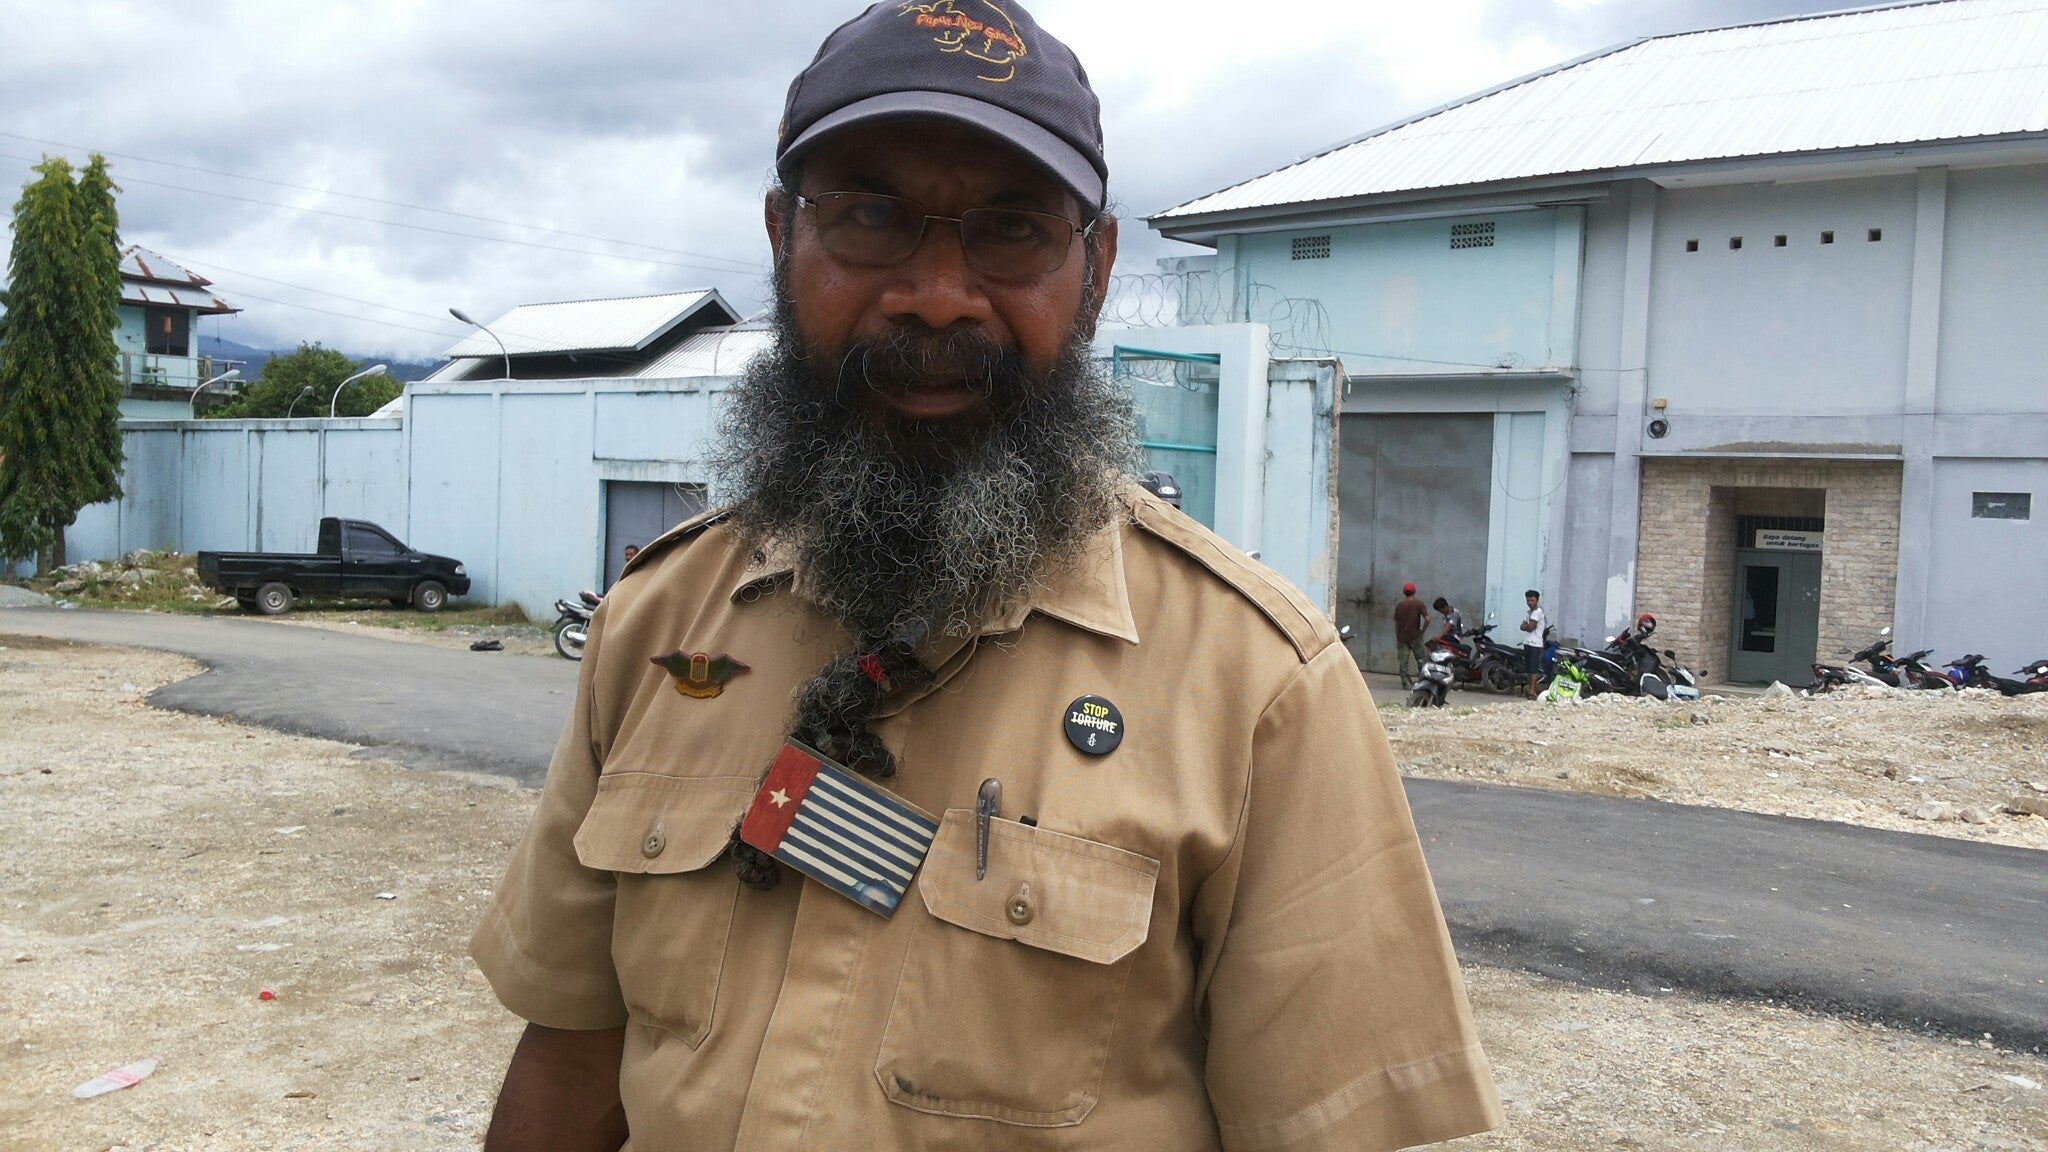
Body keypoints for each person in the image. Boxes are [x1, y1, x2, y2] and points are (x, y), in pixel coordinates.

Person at [469, 6, 1500, 1150]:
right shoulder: (657, 624)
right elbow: (573, 1056)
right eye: (869, 217)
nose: (938, 297)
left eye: (1011, 231)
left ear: (1097, 270)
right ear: (778, 242)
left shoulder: (1260, 688)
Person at [1393, 581, 1429, 688]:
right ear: (1414, 591)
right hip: (1415, 636)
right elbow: (1427, 619)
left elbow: (1397, 623)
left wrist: (1397, 637)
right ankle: (1424, 682)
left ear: (1404, 592)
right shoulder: (1419, 604)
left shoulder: (1399, 606)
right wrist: (1422, 631)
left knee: (1403, 661)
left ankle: (1406, 683)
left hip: (1402, 637)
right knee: (1421, 659)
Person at [1520, 588, 1548, 698]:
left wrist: (1525, 626)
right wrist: (1525, 626)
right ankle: (1530, 690)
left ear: (1537, 600)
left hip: (1535, 644)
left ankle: (1532, 691)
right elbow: (1522, 626)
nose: (1529, 603)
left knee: (1533, 669)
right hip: (1528, 642)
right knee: (1528, 668)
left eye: (1532, 600)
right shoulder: (1529, 613)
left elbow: (1530, 627)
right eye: (1528, 600)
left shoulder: (1538, 612)